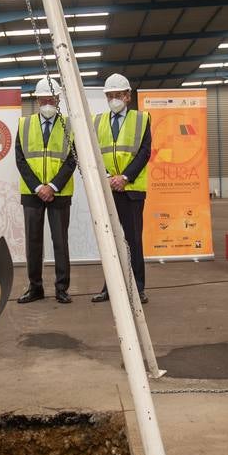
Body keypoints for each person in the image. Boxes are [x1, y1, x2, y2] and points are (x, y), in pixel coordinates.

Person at [91, 73, 151, 305]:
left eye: (118, 95)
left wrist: (125, 177)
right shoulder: (97, 121)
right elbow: (95, 154)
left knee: (133, 240)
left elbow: (144, 152)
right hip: (108, 189)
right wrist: (108, 177)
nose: (114, 99)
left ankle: (137, 288)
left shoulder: (142, 119)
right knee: (110, 241)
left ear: (128, 96)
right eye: (110, 96)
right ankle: (110, 288)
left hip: (132, 190)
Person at [15, 77, 76, 305]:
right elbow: (20, 160)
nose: (48, 103)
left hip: (59, 193)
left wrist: (53, 186)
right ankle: (35, 288)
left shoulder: (69, 125)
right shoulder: (24, 124)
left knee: (60, 241)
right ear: (38, 99)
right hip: (32, 194)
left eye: (52, 99)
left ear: (58, 99)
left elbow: (72, 160)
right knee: (33, 242)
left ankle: (62, 288)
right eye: (44, 99)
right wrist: (38, 187)